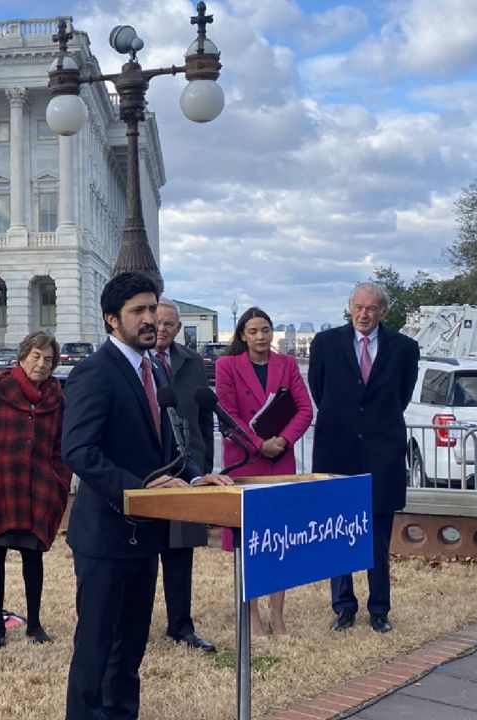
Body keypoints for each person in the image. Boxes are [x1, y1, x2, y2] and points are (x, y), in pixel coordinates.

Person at [62, 272, 232, 720]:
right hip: (106, 535)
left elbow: (170, 444)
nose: (150, 318)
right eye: (138, 310)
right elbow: (78, 450)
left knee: (131, 648)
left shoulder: (154, 369)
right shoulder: (93, 373)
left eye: (152, 308)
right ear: (110, 320)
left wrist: (196, 479)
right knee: (98, 648)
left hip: (147, 534)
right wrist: (137, 491)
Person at [309, 282, 419, 634]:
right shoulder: (325, 344)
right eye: (358, 307)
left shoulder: (404, 348)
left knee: (377, 537)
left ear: (383, 311)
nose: (363, 314)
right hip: (337, 452)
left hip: (381, 454)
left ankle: (379, 609)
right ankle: (343, 606)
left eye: (371, 308)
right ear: (349, 308)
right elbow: (319, 390)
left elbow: (401, 396)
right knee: (338, 533)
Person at [0, 330, 73, 647]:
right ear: (23, 357)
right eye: (36, 356)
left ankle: (34, 624)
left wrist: (58, 480)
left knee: (32, 559)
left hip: (37, 494)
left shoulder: (56, 398)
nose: (41, 364)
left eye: (48, 359)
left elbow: (61, 449)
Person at [214, 307, 315, 637]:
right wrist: (258, 444)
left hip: (280, 461)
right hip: (247, 461)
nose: (261, 337)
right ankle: (253, 615)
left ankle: (279, 615)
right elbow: (228, 414)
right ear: (242, 334)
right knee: (250, 543)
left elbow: (304, 408)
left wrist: (284, 440)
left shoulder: (286, 365)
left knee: (279, 540)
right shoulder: (227, 365)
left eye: (266, 330)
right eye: (254, 331)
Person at [150, 298, 217, 652]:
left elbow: (203, 417)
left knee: (181, 553)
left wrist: (204, 467)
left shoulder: (192, 363)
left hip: (189, 468)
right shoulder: (138, 361)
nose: (162, 329)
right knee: (145, 552)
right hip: (151, 472)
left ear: (179, 329)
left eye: (169, 325)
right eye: (158, 322)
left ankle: (181, 625)